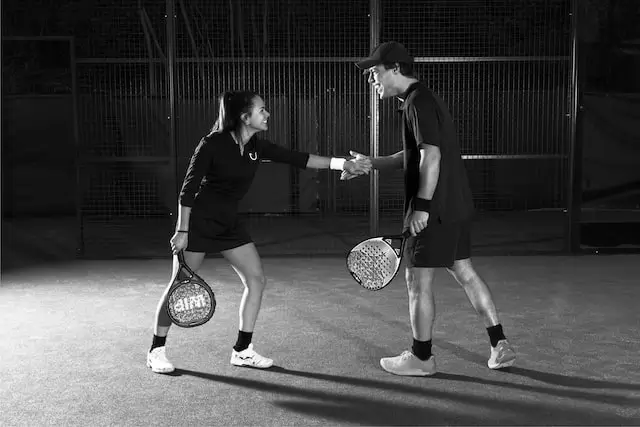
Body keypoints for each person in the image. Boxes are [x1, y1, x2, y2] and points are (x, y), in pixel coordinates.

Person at [147, 90, 371, 374]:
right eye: (262, 110)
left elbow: (298, 158)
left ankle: (242, 351)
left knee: (256, 280)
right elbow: (188, 190)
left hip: (229, 224)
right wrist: (182, 231)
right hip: (200, 223)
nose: (267, 114)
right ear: (244, 116)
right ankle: (156, 350)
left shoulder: (255, 146)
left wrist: (343, 163)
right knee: (179, 287)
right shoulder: (211, 144)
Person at [344, 41, 516, 376]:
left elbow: (430, 157)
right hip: (455, 205)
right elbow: (412, 154)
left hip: (433, 210)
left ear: (395, 68)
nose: (371, 79)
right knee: (464, 272)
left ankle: (421, 358)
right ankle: (500, 344)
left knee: (416, 280)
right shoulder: (422, 99)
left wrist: (421, 207)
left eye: (375, 71)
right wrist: (371, 162)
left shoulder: (416, 103)